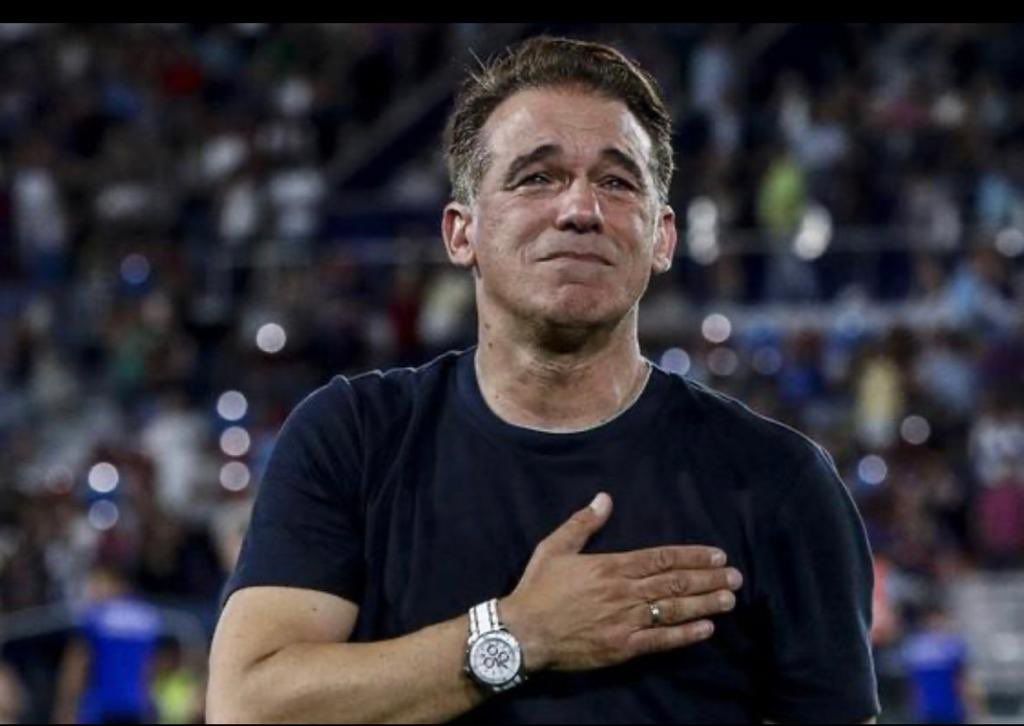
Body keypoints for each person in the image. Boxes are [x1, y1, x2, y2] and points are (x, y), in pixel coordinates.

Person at [208, 35, 879, 723]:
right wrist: (520, 634)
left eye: (617, 182)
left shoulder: (780, 481)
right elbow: (250, 708)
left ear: (663, 238)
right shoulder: (352, 439)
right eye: (537, 177)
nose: (580, 210)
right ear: (460, 232)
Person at [52, 563, 166, 724]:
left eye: (98, 583)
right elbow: (151, 665)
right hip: (136, 706)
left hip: (102, 706)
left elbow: (77, 664)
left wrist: (65, 707)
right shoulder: (148, 617)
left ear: (118, 584)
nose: (93, 590)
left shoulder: (96, 616)